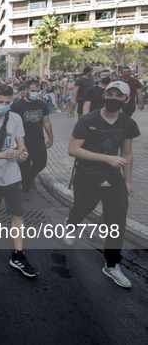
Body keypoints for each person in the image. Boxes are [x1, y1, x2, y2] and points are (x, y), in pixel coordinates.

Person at [63, 81, 140, 288]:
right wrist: (106, 158)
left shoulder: (128, 123)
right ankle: (71, 223)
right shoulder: (88, 120)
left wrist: (128, 180)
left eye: (118, 96)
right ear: (104, 95)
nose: (113, 99)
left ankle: (112, 264)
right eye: (110, 94)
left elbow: (127, 153)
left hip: (113, 178)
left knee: (118, 217)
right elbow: (73, 149)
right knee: (82, 208)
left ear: (127, 99)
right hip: (87, 175)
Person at [0, 84, 39, 277]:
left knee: (17, 213)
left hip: (11, 175)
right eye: (0, 101)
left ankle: (18, 254)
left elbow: (21, 144)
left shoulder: (15, 118)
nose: (3, 105)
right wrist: (4, 155)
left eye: (7, 102)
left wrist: (23, 154)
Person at [10, 80, 53, 201]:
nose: (35, 93)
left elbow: (46, 121)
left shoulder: (42, 105)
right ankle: (25, 189)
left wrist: (50, 137)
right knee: (24, 165)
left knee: (41, 163)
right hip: (23, 141)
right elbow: (12, 123)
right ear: (26, 90)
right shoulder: (17, 105)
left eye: (38, 91)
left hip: (38, 141)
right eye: (33, 91)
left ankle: (28, 179)